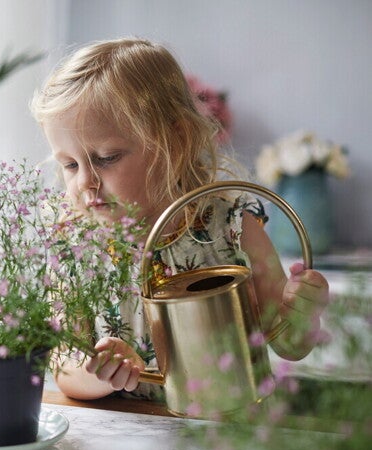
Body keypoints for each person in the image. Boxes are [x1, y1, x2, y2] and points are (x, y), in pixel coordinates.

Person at [30, 37, 330, 401]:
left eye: (107, 158)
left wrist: (302, 314)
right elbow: (65, 368)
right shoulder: (73, 242)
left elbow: (289, 344)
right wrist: (103, 372)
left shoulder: (231, 223)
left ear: (175, 139)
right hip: (125, 434)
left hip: (224, 429)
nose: (85, 182)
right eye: (70, 165)